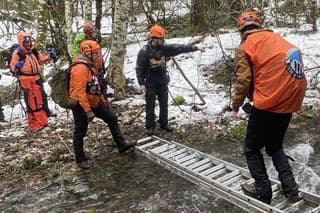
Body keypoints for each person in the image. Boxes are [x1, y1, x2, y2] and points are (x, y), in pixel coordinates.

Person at [232, 11, 307, 204]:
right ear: (258, 25)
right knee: (275, 146)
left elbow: (244, 80)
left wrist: (236, 105)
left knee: (251, 148)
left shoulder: (245, 46)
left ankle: (262, 191)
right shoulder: (277, 39)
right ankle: (291, 190)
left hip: (268, 102)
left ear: (241, 30)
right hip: (289, 100)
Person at [70, 40, 136, 169]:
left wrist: (103, 101)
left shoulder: (91, 66)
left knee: (111, 118)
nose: (98, 55)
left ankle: (121, 145)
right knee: (80, 131)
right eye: (95, 53)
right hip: (80, 104)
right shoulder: (80, 68)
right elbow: (80, 92)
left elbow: (96, 86)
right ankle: (80, 159)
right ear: (87, 53)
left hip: (94, 101)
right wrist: (88, 110)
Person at [136, 24, 205, 136]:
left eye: (163, 39)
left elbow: (179, 48)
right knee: (150, 105)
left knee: (164, 104)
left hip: (162, 81)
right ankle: (150, 127)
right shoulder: (144, 51)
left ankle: (164, 124)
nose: (162, 41)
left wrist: (196, 48)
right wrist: (141, 83)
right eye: (160, 39)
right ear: (154, 38)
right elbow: (139, 68)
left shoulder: (164, 48)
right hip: (150, 83)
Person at [10, 31, 57, 130]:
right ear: (21, 42)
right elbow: (12, 67)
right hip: (25, 79)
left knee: (42, 97)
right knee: (32, 101)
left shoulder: (33, 51)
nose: (28, 44)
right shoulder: (17, 53)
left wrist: (50, 56)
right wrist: (16, 66)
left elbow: (42, 59)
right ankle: (35, 122)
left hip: (36, 77)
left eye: (29, 41)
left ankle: (45, 115)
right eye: (26, 42)